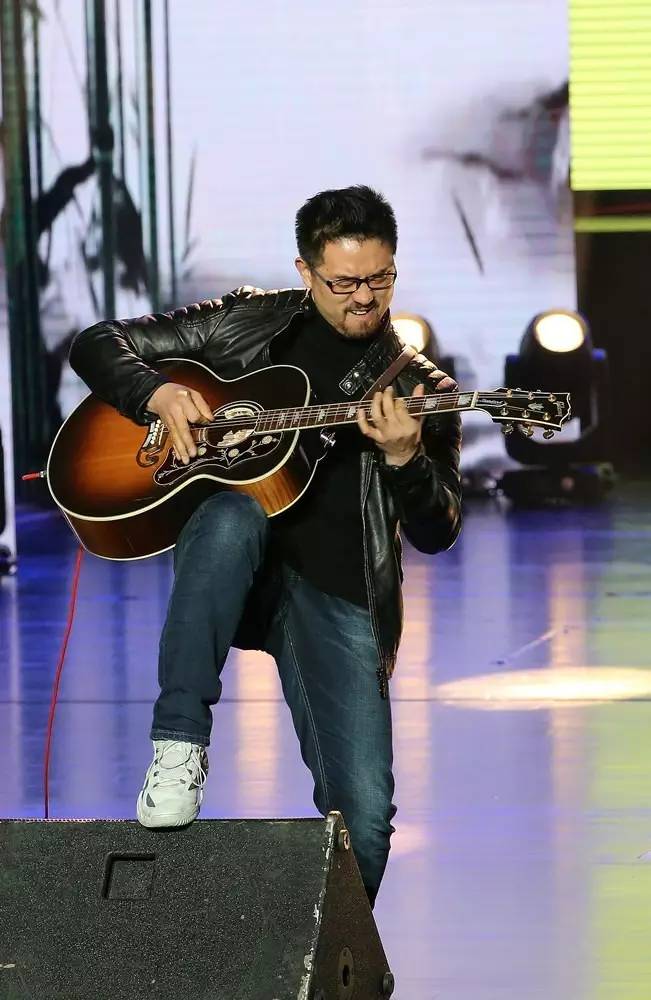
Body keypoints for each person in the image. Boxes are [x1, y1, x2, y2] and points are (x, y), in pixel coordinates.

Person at [69, 185, 462, 906]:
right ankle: (179, 742)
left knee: (365, 824)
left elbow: (440, 530)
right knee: (231, 515)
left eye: (380, 279)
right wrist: (155, 394)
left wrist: (406, 461)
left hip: (337, 591)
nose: (364, 298)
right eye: (343, 282)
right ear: (305, 271)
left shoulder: (419, 387)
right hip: (231, 568)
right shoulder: (244, 321)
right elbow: (98, 342)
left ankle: (323, 958)